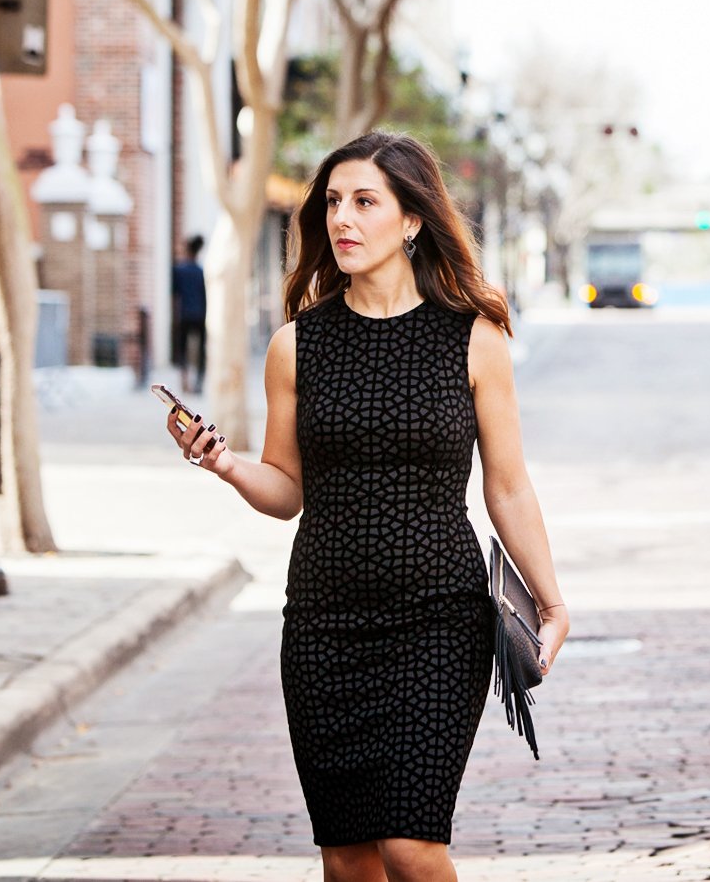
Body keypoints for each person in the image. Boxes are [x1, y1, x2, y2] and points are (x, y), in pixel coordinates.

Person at [167, 131, 568, 882]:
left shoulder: (473, 340)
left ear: (412, 219)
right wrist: (225, 464)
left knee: (412, 846)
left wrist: (550, 601)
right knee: (348, 857)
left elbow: (507, 484)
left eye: (363, 202)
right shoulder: (297, 345)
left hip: (439, 619)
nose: (341, 219)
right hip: (324, 625)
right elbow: (287, 489)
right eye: (332, 203)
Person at [170, 234, 207, 393]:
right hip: (200, 314)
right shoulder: (201, 271)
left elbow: (174, 295)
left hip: (184, 314)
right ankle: (199, 381)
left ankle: (185, 381)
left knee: (183, 349)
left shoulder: (178, 270)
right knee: (201, 350)